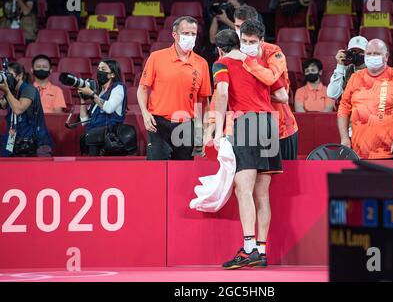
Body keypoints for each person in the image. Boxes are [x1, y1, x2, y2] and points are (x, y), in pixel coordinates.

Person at [210, 29, 287, 269]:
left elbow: (222, 94)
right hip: (268, 124)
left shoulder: (221, 63)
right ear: (239, 43)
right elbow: (283, 96)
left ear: (220, 48)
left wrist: (220, 129)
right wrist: (257, 96)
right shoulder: (258, 63)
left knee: (243, 189)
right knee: (261, 193)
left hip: (246, 123)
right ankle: (262, 252)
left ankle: (249, 249)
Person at [137, 16, 212, 161]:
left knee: (183, 173)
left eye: (193, 34)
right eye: (186, 33)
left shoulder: (201, 63)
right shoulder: (156, 57)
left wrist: (202, 134)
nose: (190, 37)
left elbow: (203, 103)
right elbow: (142, 89)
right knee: (156, 172)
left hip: (186, 125)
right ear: (174, 35)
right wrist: (145, 113)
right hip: (158, 124)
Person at [231, 6, 299, 160]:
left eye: (245, 26)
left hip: (280, 126)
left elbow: (280, 93)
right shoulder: (232, 53)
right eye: (237, 27)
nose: (242, 30)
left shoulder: (273, 52)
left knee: (286, 181)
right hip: (245, 127)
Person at [337, 39, 393, 160]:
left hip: (389, 154)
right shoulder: (355, 78)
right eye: (369, 53)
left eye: (376, 54)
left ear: (386, 57)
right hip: (357, 154)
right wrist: (344, 138)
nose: (372, 57)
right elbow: (343, 108)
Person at [0, 62, 52, 157]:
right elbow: (3, 105)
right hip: (14, 141)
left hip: (34, 143)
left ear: (20, 76)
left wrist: (7, 91)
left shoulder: (29, 89)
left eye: (9, 75)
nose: (7, 78)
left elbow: (18, 109)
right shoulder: (12, 91)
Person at [78, 59, 127, 156]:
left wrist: (92, 94)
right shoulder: (99, 93)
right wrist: (82, 99)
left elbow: (109, 108)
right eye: (98, 69)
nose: (99, 71)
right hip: (92, 140)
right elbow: (84, 121)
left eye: (103, 69)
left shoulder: (118, 88)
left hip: (107, 142)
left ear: (112, 74)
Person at [327, 35, 368, 100]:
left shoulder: (373, 70)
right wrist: (339, 66)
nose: (357, 55)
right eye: (353, 51)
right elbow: (332, 94)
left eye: (361, 52)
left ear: (367, 53)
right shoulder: (345, 70)